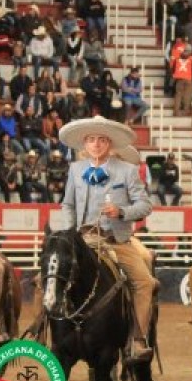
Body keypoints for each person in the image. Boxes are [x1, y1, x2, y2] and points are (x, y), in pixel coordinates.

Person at [58, 116, 156, 363]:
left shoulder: (127, 170)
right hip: (82, 239)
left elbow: (145, 205)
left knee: (144, 282)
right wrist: (71, 232)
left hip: (115, 240)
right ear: (85, 144)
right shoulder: (76, 170)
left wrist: (121, 212)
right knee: (46, 278)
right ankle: (46, 330)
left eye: (101, 139)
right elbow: (67, 204)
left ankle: (138, 338)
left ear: (110, 143)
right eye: (91, 139)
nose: (96, 144)